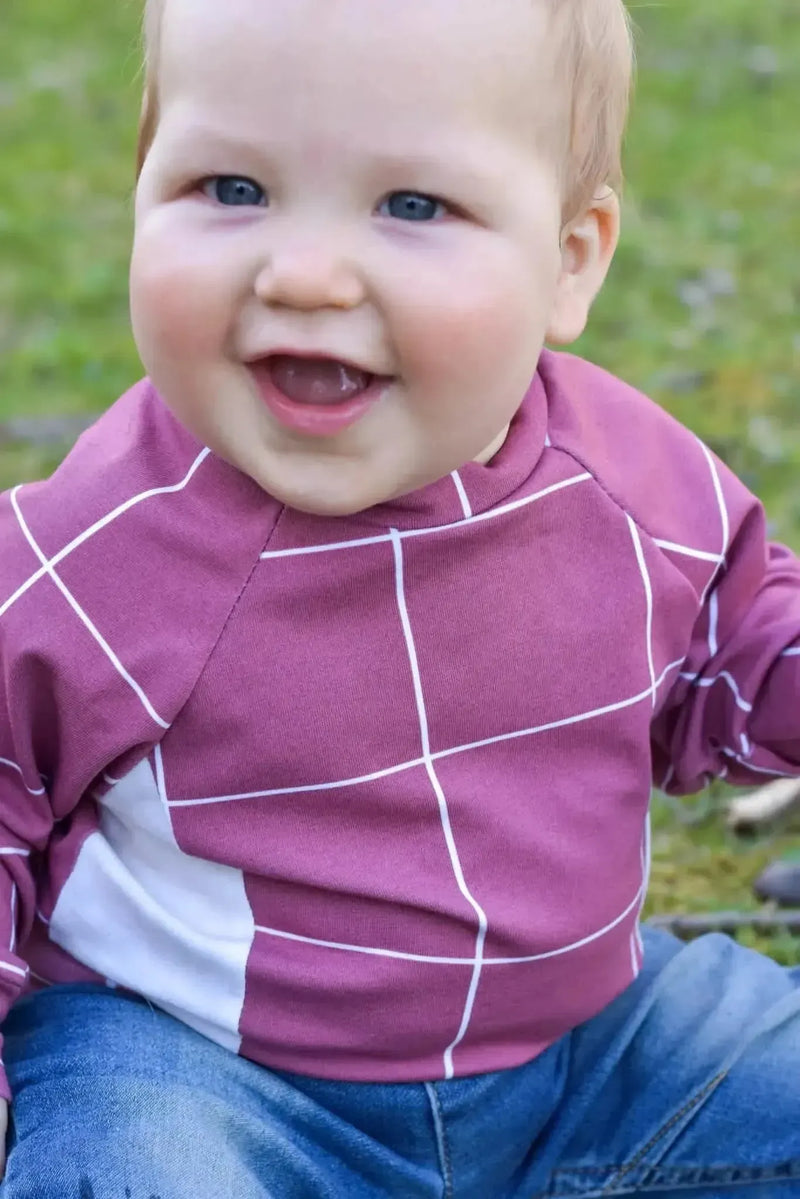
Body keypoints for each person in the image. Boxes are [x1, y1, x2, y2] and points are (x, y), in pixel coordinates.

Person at [0, 0, 798, 1194]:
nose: (305, 272)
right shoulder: (98, 550)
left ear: (570, 256)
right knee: (128, 1163)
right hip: (206, 1072)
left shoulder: (635, 488)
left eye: (411, 206)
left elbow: (734, 664)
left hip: (593, 1054)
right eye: (228, 187)